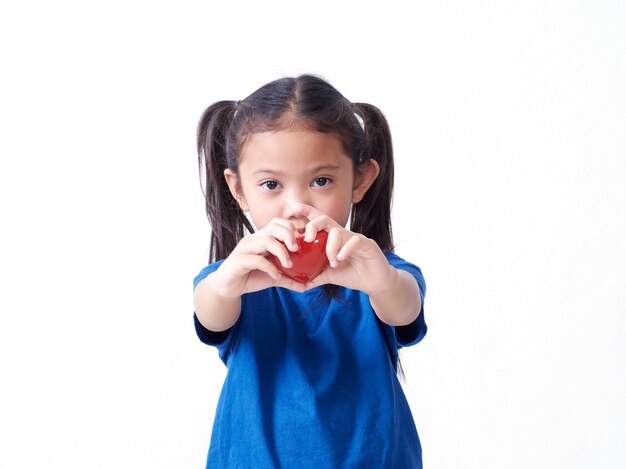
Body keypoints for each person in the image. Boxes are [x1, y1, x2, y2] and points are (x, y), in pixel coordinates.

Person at [193, 74, 427, 468]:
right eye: (271, 184)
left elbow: (405, 309)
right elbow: (209, 312)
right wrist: (227, 282)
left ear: (361, 180)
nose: (296, 204)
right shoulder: (236, 278)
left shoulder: (377, 270)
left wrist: (380, 281)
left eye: (321, 180)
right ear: (238, 191)